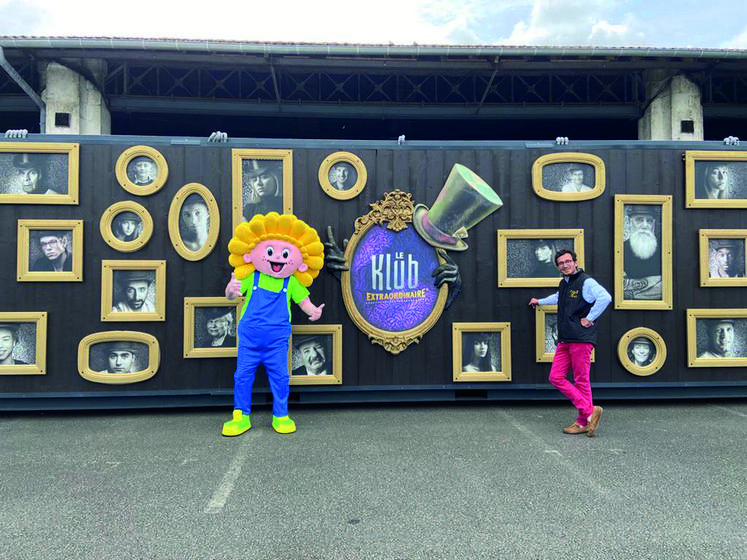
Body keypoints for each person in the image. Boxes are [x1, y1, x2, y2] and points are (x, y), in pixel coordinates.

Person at [222, 212, 325, 437]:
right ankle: (241, 416)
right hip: (249, 341)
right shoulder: (252, 277)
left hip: (276, 343)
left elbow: (304, 302)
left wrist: (313, 311)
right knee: (242, 376)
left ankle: (281, 414)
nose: (277, 258)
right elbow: (232, 294)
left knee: (279, 376)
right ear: (252, 254)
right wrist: (230, 290)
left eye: (285, 253)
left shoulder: (293, 282)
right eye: (271, 252)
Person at [529, 249, 611, 437]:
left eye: (567, 261)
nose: (565, 265)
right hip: (565, 339)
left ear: (575, 262)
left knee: (581, 380)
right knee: (555, 377)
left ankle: (584, 420)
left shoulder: (586, 282)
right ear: (558, 267)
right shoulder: (564, 283)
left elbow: (605, 297)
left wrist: (590, 318)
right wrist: (539, 301)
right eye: (561, 263)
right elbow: (558, 298)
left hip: (581, 339)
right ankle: (589, 412)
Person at [623, 206, 662, 300]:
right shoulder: (620, 249)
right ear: (630, 222)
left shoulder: (664, 250)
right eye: (639, 220)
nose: (645, 225)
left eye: (649, 221)